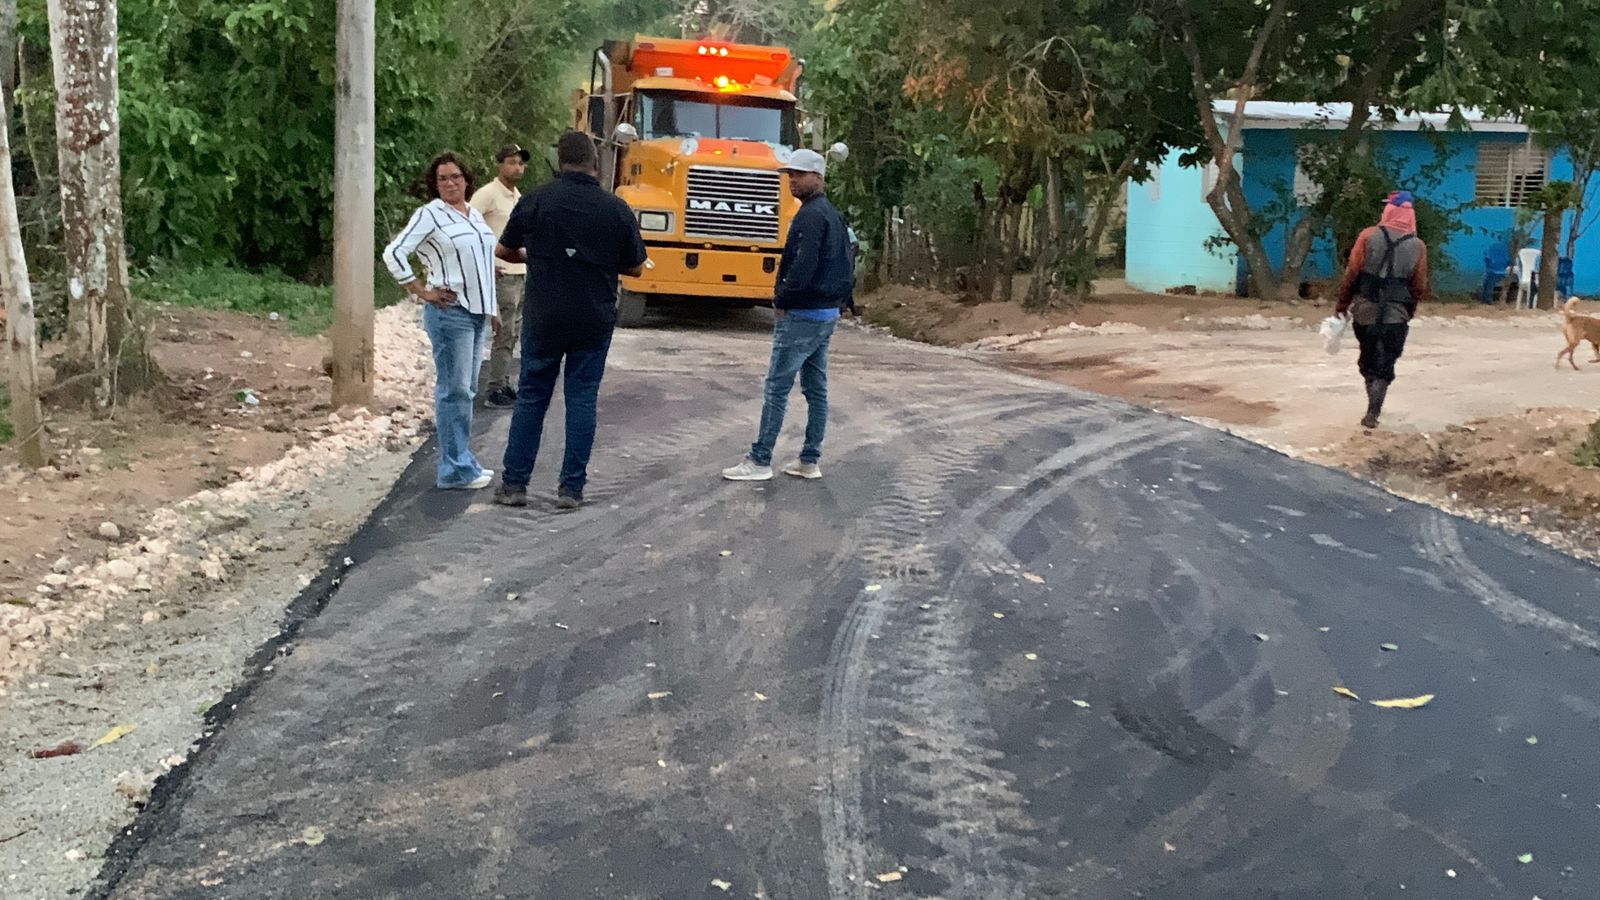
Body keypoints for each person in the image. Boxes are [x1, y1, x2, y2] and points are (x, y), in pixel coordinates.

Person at [492, 132, 647, 510]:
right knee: (581, 399)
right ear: (595, 162)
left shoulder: (536, 201)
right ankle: (571, 489)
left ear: (560, 162)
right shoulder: (616, 209)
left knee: (532, 397)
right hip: (592, 318)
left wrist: (538, 256)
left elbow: (503, 249)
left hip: (544, 315)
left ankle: (514, 485)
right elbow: (638, 267)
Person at [722, 148, 855, 482]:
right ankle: (809, 459)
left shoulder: (811, 216)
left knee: (777, 388)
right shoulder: (831, 214)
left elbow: (803, 264)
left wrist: (781, 298)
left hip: (803, 314)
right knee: (816, 388)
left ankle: (760, 459)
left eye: (798, 174)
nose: (791, 180)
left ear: (818, 177)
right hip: (825, 314)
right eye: (789, 174)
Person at [383, 152, 500, 490]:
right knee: (454, 391)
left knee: (467, 389)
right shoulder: (430, 215)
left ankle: (463, 459)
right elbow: (394, 252)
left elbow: (481, 263)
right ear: (434, 185)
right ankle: (454, 469)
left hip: (477, 313)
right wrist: (420, 290)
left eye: (456, 177)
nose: (450, 183)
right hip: (451, 313)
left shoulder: (474, 216)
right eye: (443, 179)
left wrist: (493, 309)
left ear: (467, 179)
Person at [1335, 190, 1430, 430]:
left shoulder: (1368, 236)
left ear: (1389, 210)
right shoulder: (1418, 246)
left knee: (1368, 361)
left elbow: (1352, 273)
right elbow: (1418, 285)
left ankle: (1372, 409)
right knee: (1386, 363)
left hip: (1365, 310)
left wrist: (1342, 305)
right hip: (1397, 315)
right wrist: (1410, 311)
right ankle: (1373, 412)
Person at [471, 143, 531, 408]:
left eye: (520, 163)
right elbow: (468, 224)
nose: (517, 167)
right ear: (500, 164)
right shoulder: (488, 194)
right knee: (503, 331)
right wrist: (483, 261)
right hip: (500, 272)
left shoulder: (517, 196)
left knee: (513, 331)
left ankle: (503, 382)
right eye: (512, 162)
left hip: (519, 271)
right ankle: (494, 388)